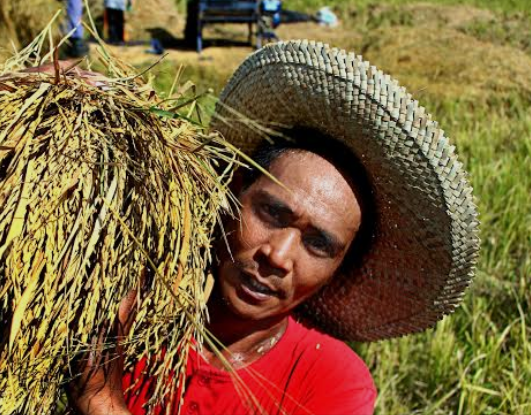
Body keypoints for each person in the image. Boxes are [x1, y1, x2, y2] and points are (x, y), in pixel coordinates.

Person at [68, 40, 481, 415]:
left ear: (340, 267)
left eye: (318, 244)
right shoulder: (124, 298)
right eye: (271, 213)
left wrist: (102, 400)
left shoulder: (330, 384)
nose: (278, 256)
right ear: (234, 192)